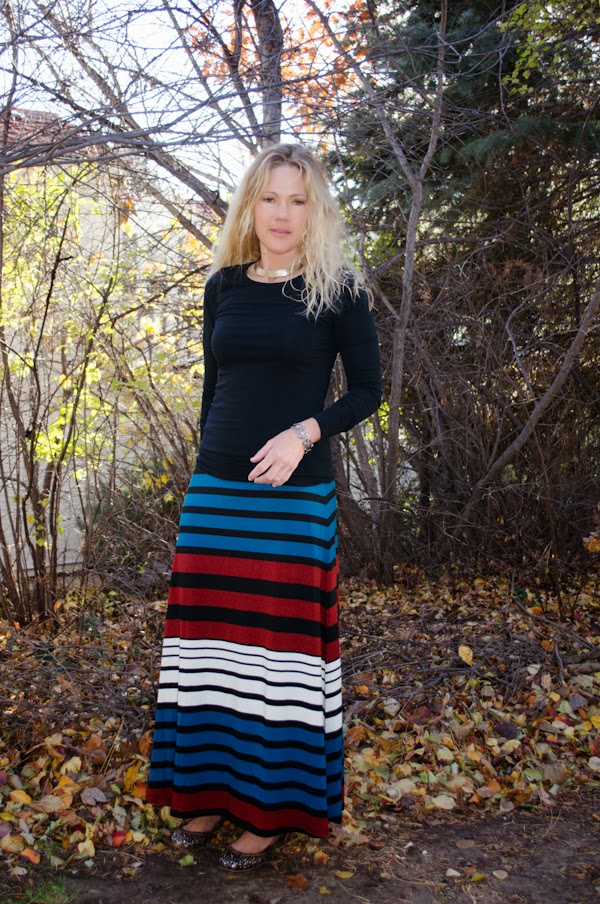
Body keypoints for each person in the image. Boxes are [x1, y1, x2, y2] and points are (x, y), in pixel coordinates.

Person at [146, 143, 381, 871]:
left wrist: (305, 432)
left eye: (297, 200)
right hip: (216, 497)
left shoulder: (338, 290)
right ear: (250, 206)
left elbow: (367, 391)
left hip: (293, 500)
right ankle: (209, 795)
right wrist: (202, 479)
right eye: (270, 198)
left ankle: (269, 811)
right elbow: (215, 390)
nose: (282, 214)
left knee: (279, 663)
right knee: (210, 651)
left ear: (315, 210)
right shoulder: (223, 286)